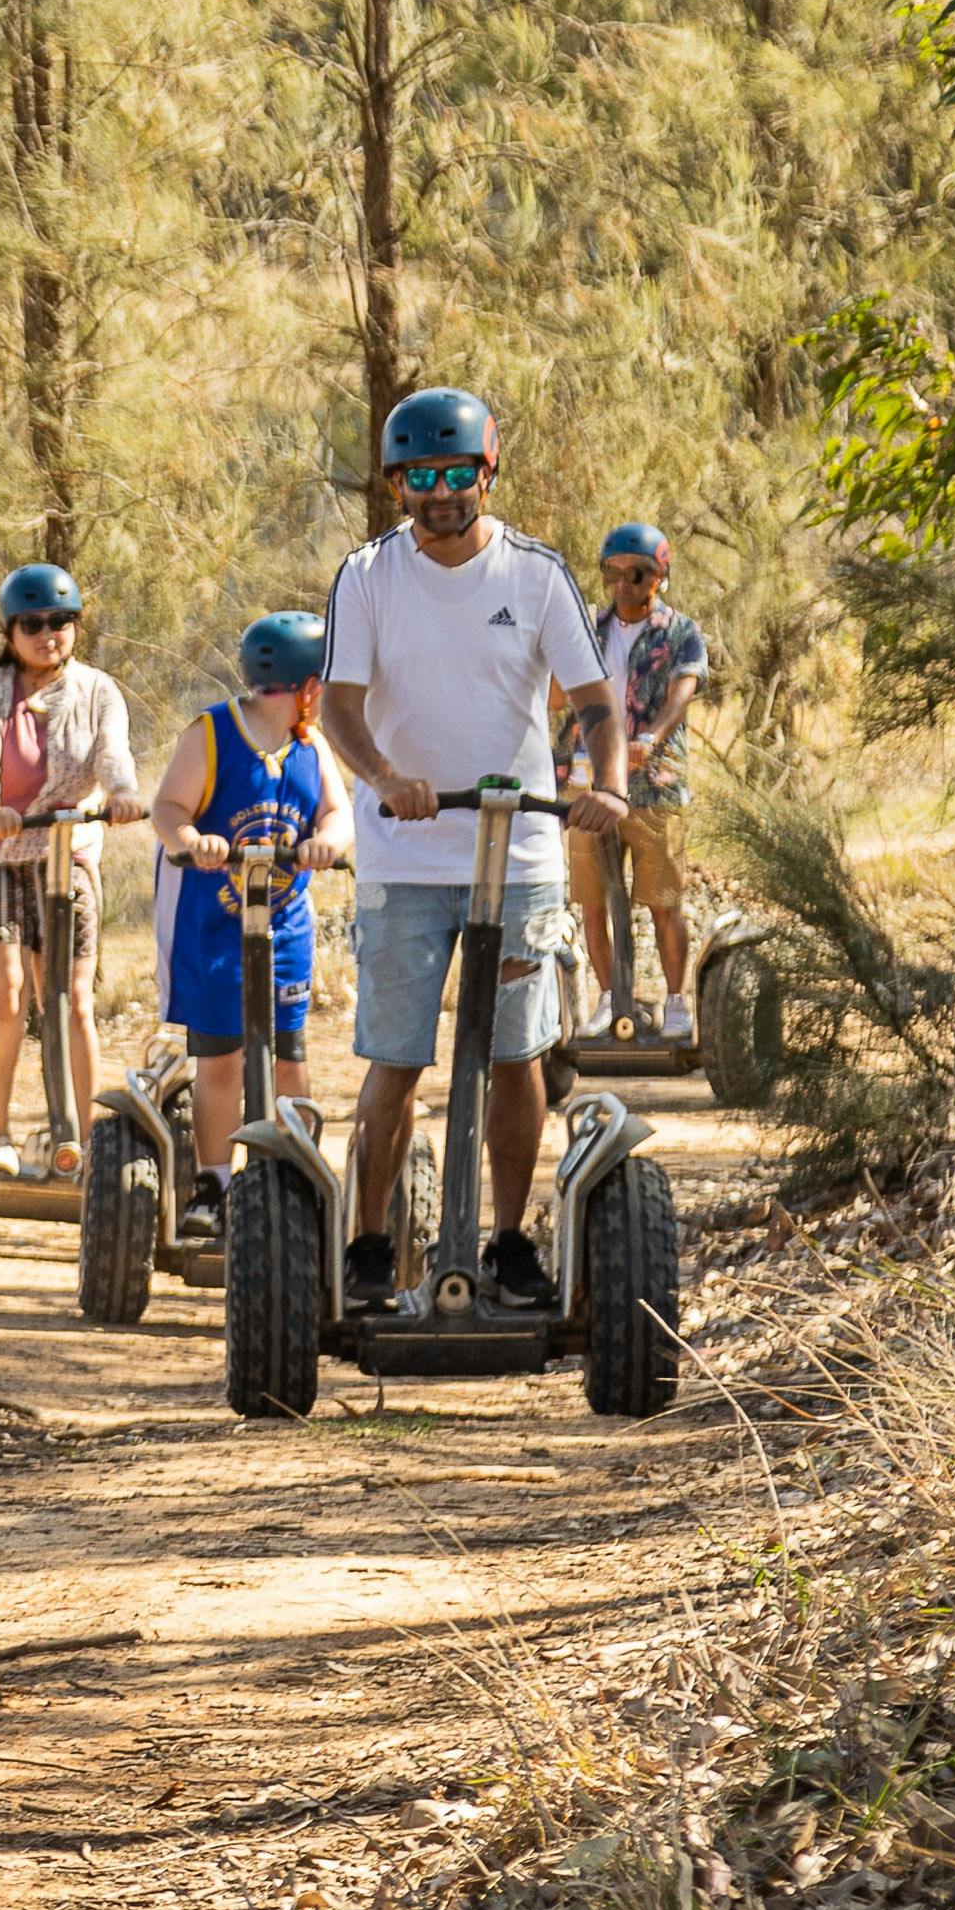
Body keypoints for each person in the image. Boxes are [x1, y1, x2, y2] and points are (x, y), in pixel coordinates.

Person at [318, 386, 625, 1309]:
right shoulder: (367, 575)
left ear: (486, 474)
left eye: (458, 474)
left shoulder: (536, 574)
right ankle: (370, 1246)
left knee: (514, 1058)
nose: (441, 493)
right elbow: (338, 705)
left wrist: (604, 783)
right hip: (405, 858)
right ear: (399, 484)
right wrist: (381, 780)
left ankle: (505, 1242)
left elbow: (596, 700)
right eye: (422, 477)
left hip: (519, 855)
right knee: (398, 1058)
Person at [0, 562, 145, 1170]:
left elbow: (113, 753)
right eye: (33, 623)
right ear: (9, 631)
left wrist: (123, 794)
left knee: (72, 997)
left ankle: (82, 1137)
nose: (48, 634)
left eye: (61, 622)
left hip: (63, 849)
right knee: (7, 996)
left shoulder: (97, 691)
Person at [146, 611, 353, 1232]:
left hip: (285, 924)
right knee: (221, 1060)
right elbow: (167, 808)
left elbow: (338, 814)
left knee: (289, 1052)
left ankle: (294, 1167)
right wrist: (192, 839)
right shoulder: (212, 734)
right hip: (213, 926)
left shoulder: (311, 746)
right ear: (307, 687)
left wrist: (326, 841)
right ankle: (213, 1180)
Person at [560, 522, 713, 1036]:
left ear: (659, 577)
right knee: (592, 900)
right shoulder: (585, 627)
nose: (623, 584)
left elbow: (682, 691)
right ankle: (609, 998)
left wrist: (649, 739)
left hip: (655, 784)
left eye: (637, 574)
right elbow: (558, 690)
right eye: (613, 573)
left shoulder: (680, 631)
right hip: (588, 783)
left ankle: (674, 1001)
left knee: (663, 900)